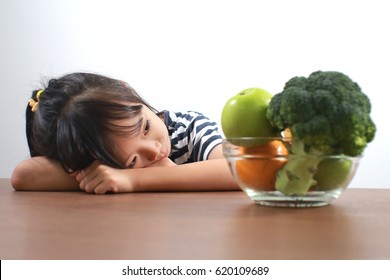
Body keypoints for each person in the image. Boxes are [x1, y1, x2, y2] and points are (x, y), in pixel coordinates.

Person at [11, 72, 239, 194]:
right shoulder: (102, 159)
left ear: (128, 90)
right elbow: (24, 175)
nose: (154, 151)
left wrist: (133, 178)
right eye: (131, 161)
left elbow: (239, 169)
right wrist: (105, 175)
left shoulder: (188, 129)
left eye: (145, 127)